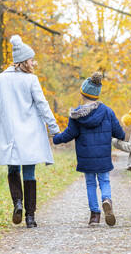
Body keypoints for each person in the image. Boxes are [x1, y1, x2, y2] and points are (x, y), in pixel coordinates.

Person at [0, 35, 60, 228]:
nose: (33, 63)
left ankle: (17, 202)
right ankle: (30, 217)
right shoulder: (31, 80)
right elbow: (43, 105)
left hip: (10, 134)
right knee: (29, 173)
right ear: (22, 62)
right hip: (30, 134)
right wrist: (54, 128)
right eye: (31, 60)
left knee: (13, 169)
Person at [53, 72, 125, 226]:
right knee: (104, 180)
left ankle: (95, 216)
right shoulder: (107, 111)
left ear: (82, 93)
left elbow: (69, 134)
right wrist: (122, 136)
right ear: (97, 95)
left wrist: (56, 139)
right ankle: (106, 199)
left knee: (91, 183)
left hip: (86, 156)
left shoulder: (77, 115)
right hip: (103, 155)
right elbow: (119, 132)